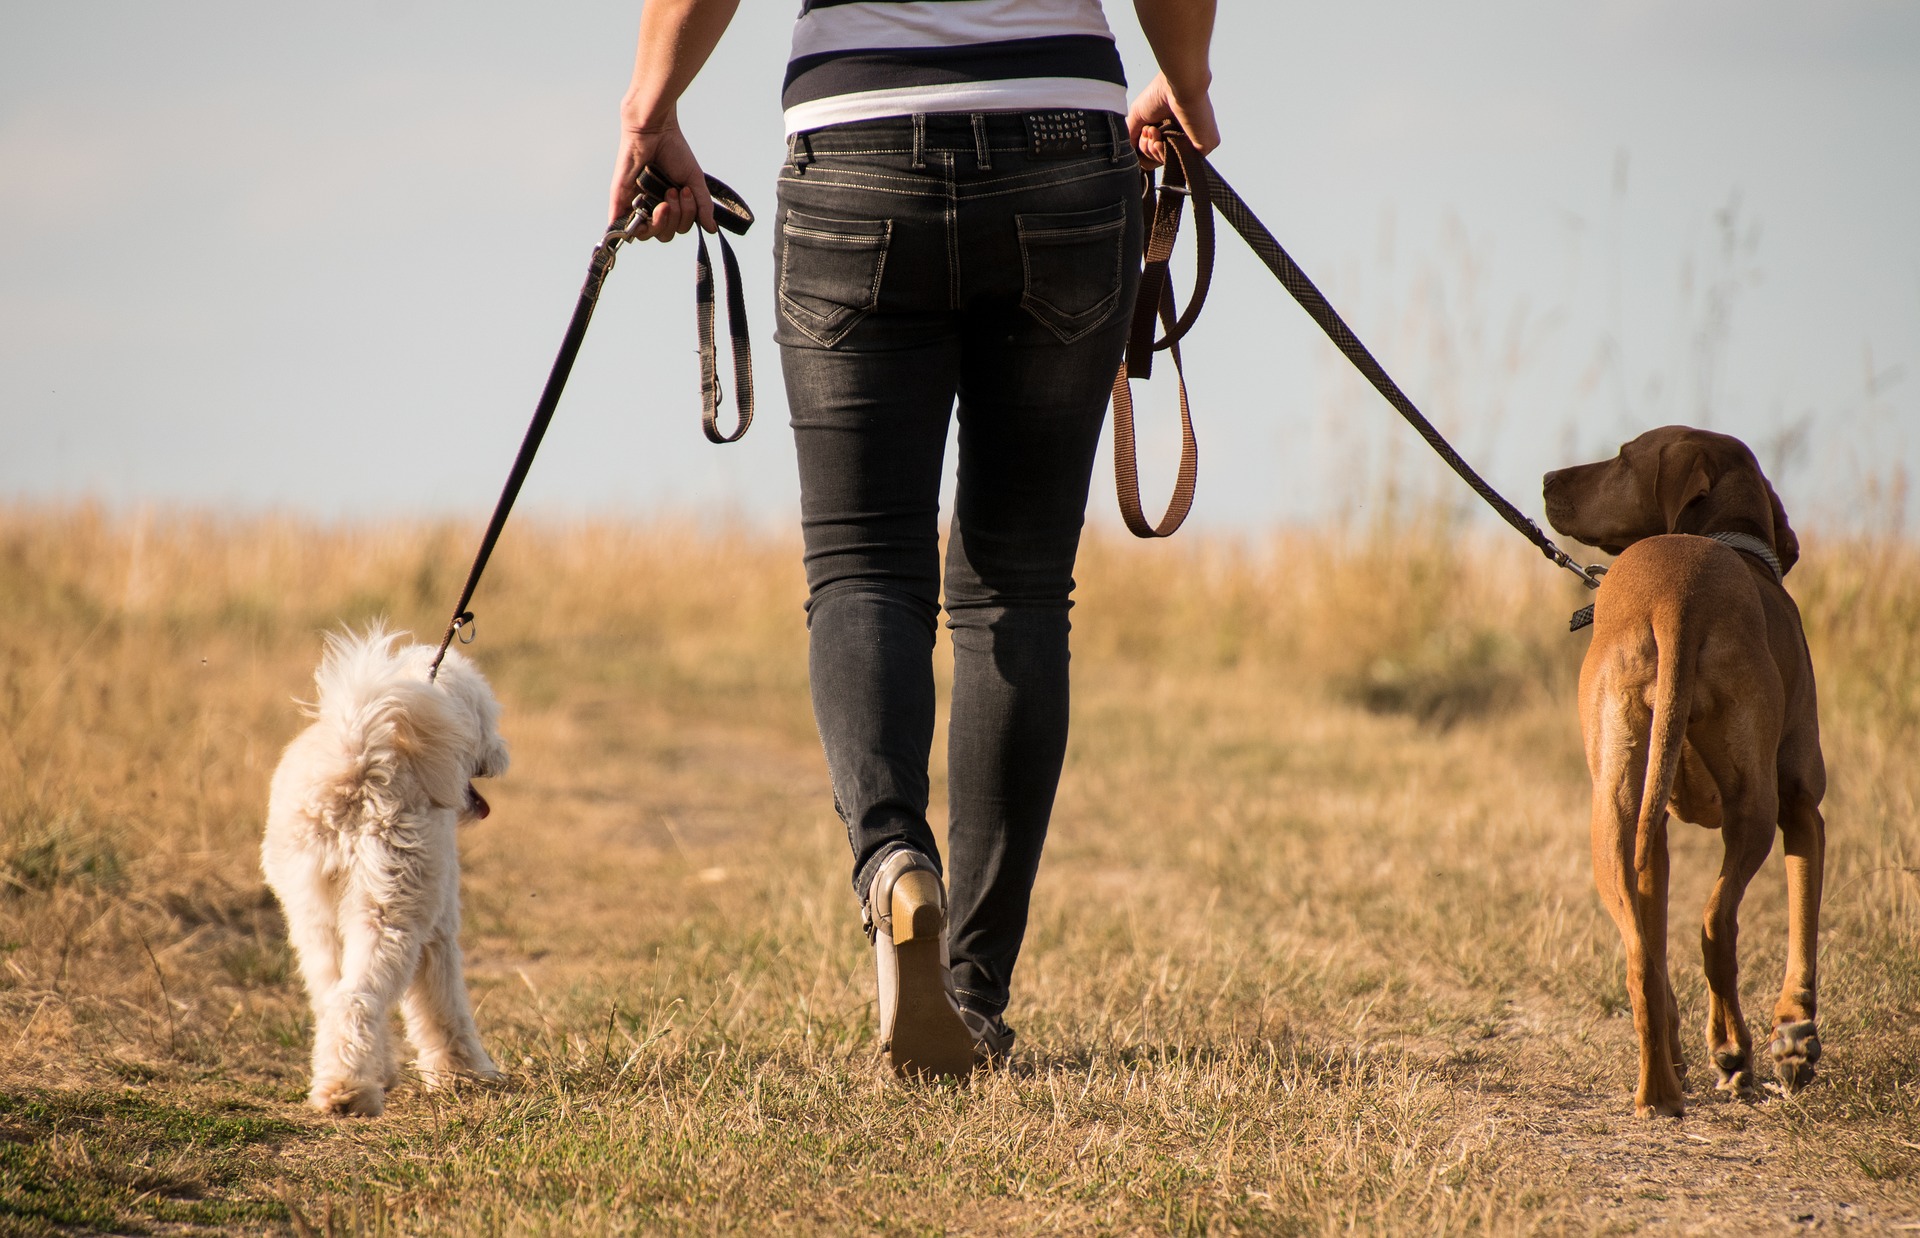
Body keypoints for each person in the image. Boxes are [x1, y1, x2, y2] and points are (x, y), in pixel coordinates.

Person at [610, 0, 1219, 1079]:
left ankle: (894, 859)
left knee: (863, 565)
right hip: (1063, 148)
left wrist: (650, 108)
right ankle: (972, 994)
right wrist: (1188, 76)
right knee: (1017, 586)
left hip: (857, 147)